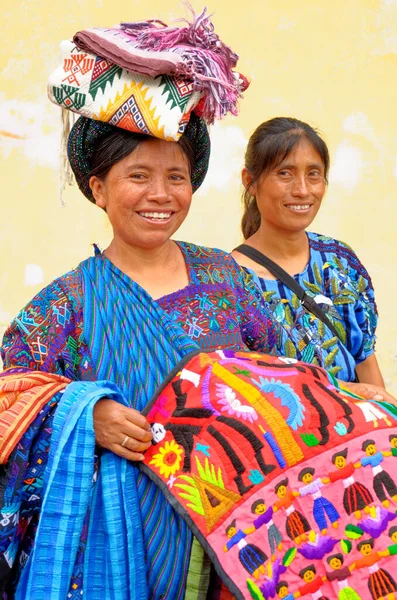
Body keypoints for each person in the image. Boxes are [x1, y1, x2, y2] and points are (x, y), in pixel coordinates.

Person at [0, 12, 281, 599]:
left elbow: (278, 381)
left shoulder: (228, 280)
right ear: (97, 188)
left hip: (234, 543)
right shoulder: (66, 305)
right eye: (138, 176)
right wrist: (82, 417)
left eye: (176, 176)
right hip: (115, 552)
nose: (161, 195)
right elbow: (8, 403)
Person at [232, 117, 394, 402]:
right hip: (288, 440)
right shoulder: (232, 281)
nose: (303, 190)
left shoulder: (340, 261)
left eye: (314, 174)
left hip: (360, 441)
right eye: (285, 173)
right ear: (250, 182)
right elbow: (246, 392)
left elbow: (364, 361)